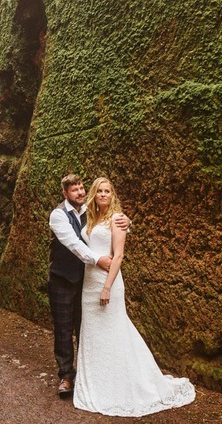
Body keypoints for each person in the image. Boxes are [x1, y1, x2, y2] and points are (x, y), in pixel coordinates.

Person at [73, 177, 195, 416]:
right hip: (89, 284)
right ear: (94, 194)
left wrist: (107, 287)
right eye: (100, 191)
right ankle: (98, 382)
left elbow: (118, 256)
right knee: (94, 334)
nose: (103, 194)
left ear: (113, 195)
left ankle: (126, 383)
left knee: (115, 331)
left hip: (107, 282)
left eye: (108, 191)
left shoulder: (117, 219)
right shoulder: (91, 217)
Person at [48, 174, 129, 398]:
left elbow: (109, 224)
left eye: (82, 188)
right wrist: (98, 260)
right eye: (74, 190)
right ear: (65, 193)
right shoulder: (58, 215)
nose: (80, 193)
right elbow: (73, 243)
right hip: (62, 279)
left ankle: (88, 374)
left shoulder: (90, 211)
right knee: (63, 329)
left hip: (86, 281)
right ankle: (66, 375)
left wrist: (127, 223)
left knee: (88, 328)